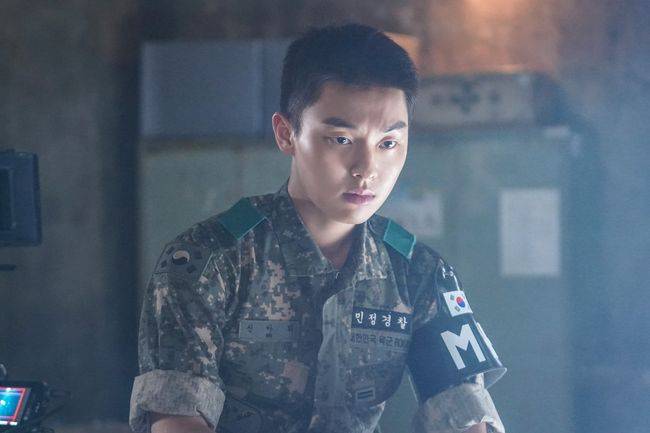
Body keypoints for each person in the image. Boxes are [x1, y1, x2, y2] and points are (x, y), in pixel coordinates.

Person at [129, 23, 506, 433]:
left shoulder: (418, 272)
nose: (366, 169)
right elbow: (177, 419)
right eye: (341, 140)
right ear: (286, 134)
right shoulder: (209, 262)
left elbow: (465, 414)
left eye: (388, 143)